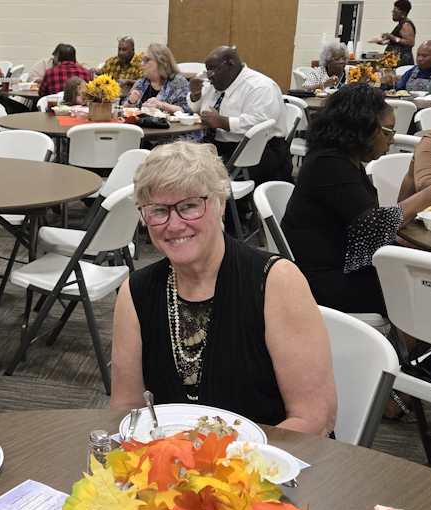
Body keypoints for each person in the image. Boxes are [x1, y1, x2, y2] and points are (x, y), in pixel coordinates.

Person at [111, 141, 337, 434]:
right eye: (158, 211)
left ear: (220, 203)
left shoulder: (275, 282)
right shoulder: (136, 291)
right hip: (171, 468)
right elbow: (127, 409)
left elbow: (314, 418)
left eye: (189, 205)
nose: (174, 224)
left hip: (268, 466)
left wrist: (220, 468)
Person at [282, 84, 431, 315]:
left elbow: (365, 220)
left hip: (344, 260)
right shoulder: (329, 165)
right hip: (326, 278)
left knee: (424, 274)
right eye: (387, 131)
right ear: (360, 128)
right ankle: (403, 348)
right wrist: (427, 197)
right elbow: (373, 224)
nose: (391, 140)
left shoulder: (341, 160)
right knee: (425, 290)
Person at [188, 46, 291, 183]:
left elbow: (260, 124)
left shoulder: (260, 86)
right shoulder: (215, 82)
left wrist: (222, 122)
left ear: (230, 64)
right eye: (207, 71)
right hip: (220, 146)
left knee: (199, 177)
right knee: (181, 167)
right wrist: (196, 94)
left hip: (259, 151)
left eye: (213, 70)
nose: (209, 76)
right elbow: (197, 109)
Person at [126, 44, 189, 113]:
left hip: (169, 123)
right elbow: (123, 109)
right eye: (142, 60)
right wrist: (131, 102)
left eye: (147, 60)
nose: (142, 64)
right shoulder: (142, 82)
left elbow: (187, 110)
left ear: (161, 62)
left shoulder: (178, 82)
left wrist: (162, 105)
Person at [372, 0, 416, 67]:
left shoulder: (406, 25)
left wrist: (391, 36)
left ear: (403, 13)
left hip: (402, 63)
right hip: (395, 61)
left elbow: (410, 42)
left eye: (395, 11)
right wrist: (383, 42)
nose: (392, 12)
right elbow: (398, 42)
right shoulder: (401, 24)